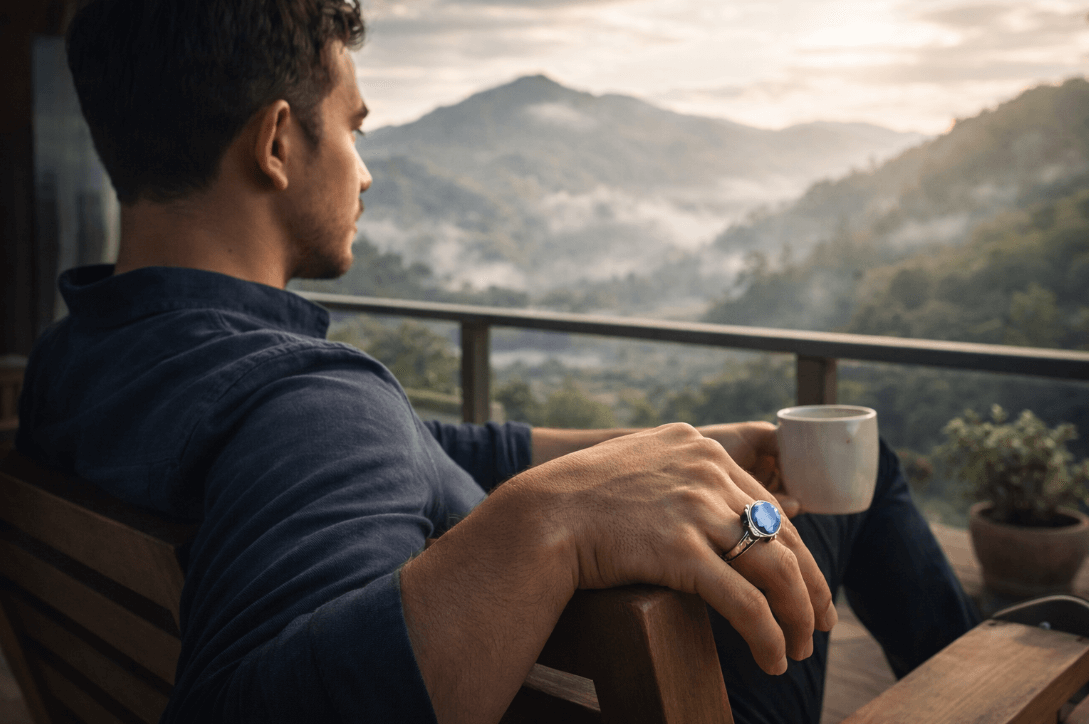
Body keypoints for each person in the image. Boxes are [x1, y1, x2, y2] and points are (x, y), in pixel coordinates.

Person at [15, 1, 979, 722]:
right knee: (868, 475)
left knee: (782, 474)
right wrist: (553, 524)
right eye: (353, 127)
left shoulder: (80, 365)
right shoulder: (311, 409)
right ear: (275, 142)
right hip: (645, 695)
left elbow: (438, 448)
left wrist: (665, 448)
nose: (364, 166)